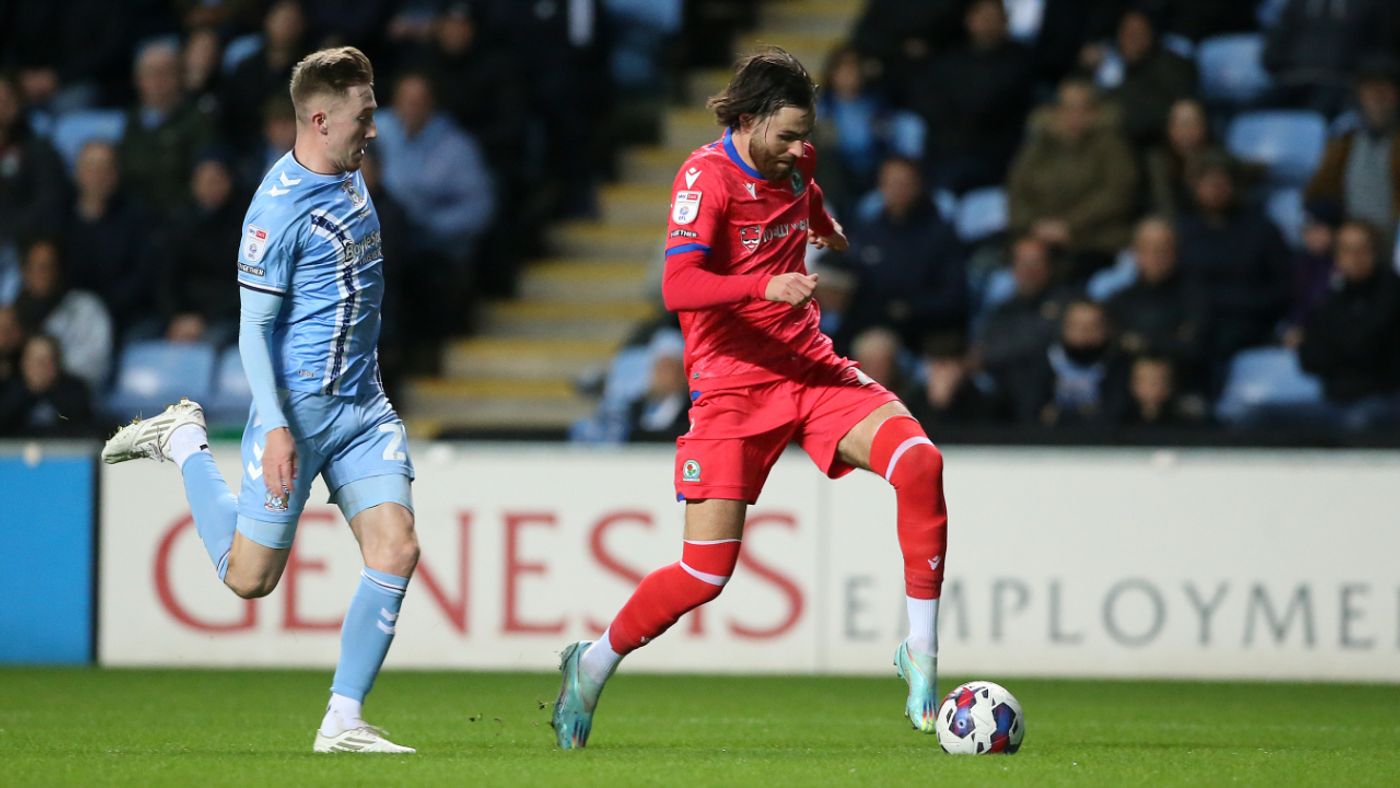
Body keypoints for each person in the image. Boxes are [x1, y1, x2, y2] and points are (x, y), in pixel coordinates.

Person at [551, 47, 950, 749]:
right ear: (749, 119)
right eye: (788, 134)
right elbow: (677, 286)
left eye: (806, 136)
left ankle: (921, 651)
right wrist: (764, 285)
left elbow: (802, 194)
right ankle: (593, 663)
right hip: (731, 387)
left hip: (810, 370)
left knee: (920, 463)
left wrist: (821, 223)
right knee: (705, 574)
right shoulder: (704, 178)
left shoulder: (798, 163)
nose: (800, 149)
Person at [101, 47, 418, 754]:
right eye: (364, 116)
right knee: (250, 580)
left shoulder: (351, 172)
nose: (375, 128)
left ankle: (342, 720)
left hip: (362, 406)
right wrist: (274, 427)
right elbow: (253, 331)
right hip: (297, 413)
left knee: (396, 548)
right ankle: (184, 440)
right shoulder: (275, 212)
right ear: (319, 120)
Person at [1007, 78, 1138, 279]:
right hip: (1040, 238)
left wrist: (1069, 225)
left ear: (1095, 111)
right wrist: (1035, 226)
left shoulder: (1111, 146)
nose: (1075, 115)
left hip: (1095, 241)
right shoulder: (1038, 147)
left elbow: (1118, 193)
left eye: (1083, 108)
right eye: (1068, 108)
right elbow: (1017, 191)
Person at [1305, 57, 1400, 239]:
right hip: (1352, 242)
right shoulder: (1345, 140)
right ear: (1359, 95)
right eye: (1370, 89)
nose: (1377, 98)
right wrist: (1321, 223)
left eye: (1385, 89)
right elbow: (1319, 192)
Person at [0, 334, 94, 438]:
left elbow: (82, 430)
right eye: (34, 360)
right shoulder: (7, 389)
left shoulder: (75, 390)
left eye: (47, 360)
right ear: (23, 363)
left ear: (57, 363)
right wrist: (29, 392)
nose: (40, 366)